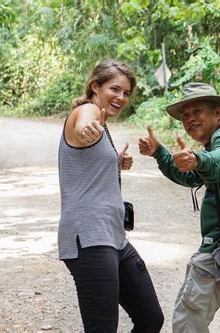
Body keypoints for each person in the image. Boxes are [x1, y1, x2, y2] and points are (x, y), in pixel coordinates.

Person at [139, 82, 220, 332]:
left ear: (217, 113)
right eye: (185, 116)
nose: (190, 119)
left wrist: (198, 158)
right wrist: (160, 152)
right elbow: (192, 176)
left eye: (197, 111)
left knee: (188, 321)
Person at [58, 60, 164, 332]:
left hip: (114, 237)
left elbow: (86, 160)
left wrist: (115, 162)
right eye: (114, 89)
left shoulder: (102, 125)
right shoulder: (88, 111)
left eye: (126, 93)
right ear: (95, 86)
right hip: (90, 238)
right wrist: (87, 130)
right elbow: (84, 128)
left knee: (151, 319)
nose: (121, 97)